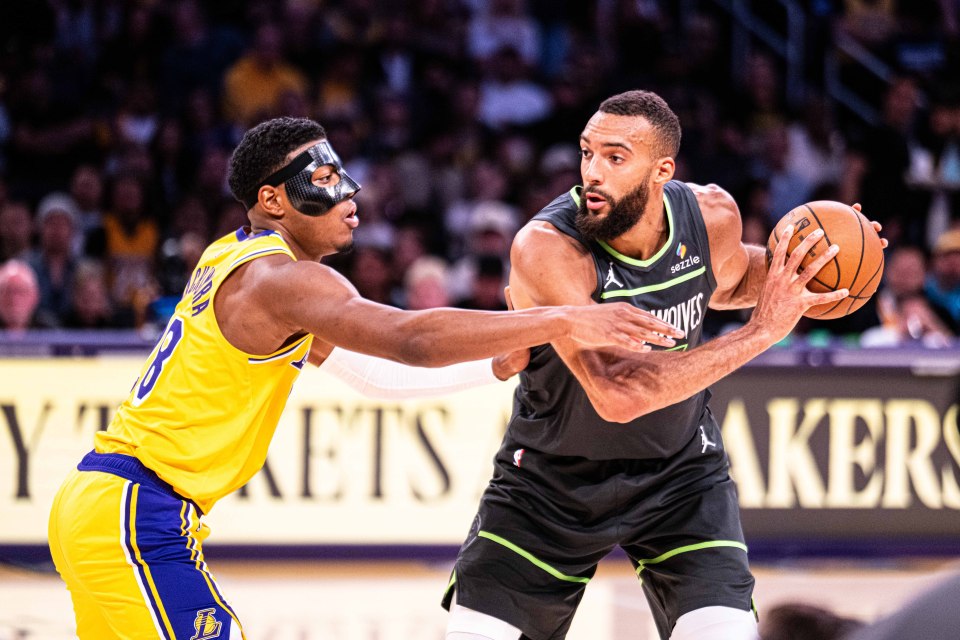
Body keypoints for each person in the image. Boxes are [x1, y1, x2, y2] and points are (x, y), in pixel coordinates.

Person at [46, 116, 682, 639]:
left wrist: (493, 367)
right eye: (323, 180)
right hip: (139, 512)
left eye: (343, 176)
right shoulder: (283, 281)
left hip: (104, 505)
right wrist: (564, 319)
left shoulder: (239, 260)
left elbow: (376, 376)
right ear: (272, 200)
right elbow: (409, 338)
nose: (349, 195)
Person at [442, 90, 883, 640]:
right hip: (550, 486)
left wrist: (826, 258)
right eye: (586, 153)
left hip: (680, 478)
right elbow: (616, 394)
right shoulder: (547, 247)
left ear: (662, 170)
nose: (591, 174)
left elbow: (733, 279)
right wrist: (761, 333)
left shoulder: (712, 214)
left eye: (615, 157)